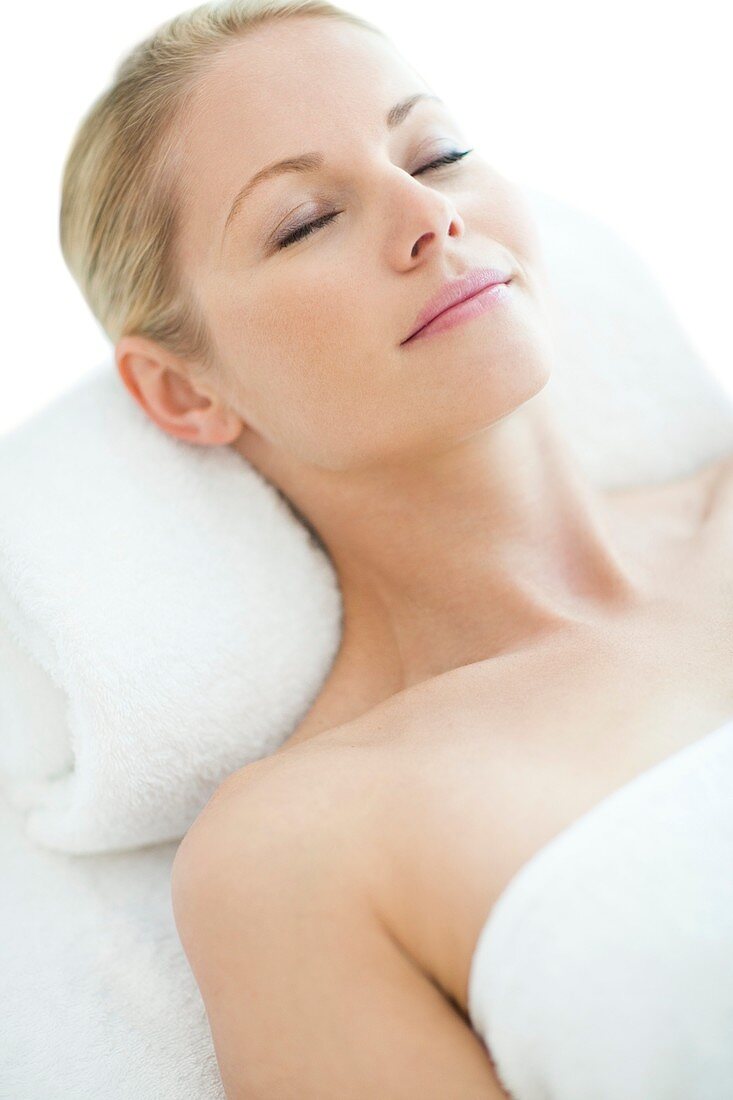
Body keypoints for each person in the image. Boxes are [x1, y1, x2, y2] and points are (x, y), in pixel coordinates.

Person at [59, 1, 733, 1096]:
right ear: (183, 389)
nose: (428, 213)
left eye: (438, 152)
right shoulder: (299, 852)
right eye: (305, 219)